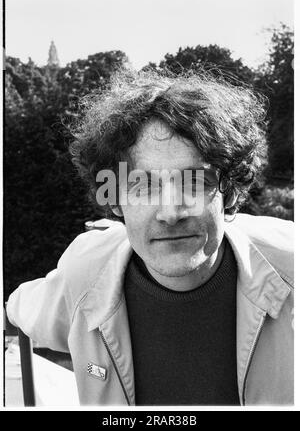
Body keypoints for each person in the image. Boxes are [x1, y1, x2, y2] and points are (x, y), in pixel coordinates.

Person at [7, 69, 294, 406]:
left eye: (195, 182)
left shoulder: (292, 270)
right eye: (143, 186)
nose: (171, 213)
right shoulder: (82, 274)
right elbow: (18, 310)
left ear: (228, 193)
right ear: (115, 200)